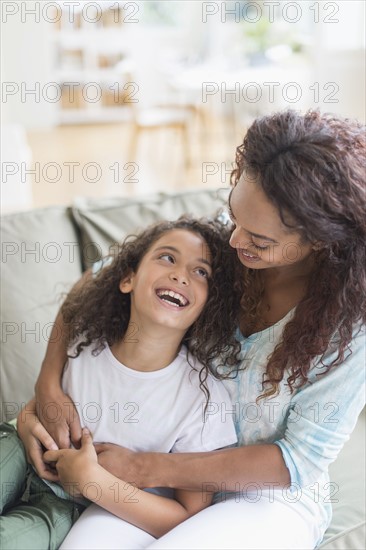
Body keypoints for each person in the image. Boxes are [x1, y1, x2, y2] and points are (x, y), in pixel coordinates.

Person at [19, 110, 366, 549]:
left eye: (260, 241)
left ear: (320, 238)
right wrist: (48, 385)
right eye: (235, 216)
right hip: (157, 486)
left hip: (263, 500)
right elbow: (103, 276)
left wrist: (146, 468)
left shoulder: (350, 330)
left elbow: (295, 461)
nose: (237, 241)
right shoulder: (221, 248)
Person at [0, 216, 242, 550]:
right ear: (128, 279)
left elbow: (187, 517)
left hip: (66, 506)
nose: (179, 275)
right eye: (168, 257)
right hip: (16, 448)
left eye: (201, 272)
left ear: (209, 306)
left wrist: (94, 483)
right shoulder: (86, 338)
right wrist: (32, 409)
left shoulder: (202, 401)